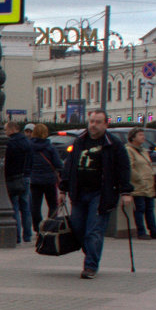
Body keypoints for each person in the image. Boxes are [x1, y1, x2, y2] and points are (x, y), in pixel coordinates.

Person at [61, 110, 133, 279]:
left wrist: (126, 191)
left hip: (101, 194)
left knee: (94, 230)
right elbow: (69, 165)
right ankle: (91, 251)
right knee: (77, 228)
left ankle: (90, 266)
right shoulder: (79, 141)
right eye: (91, 121)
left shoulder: (113, 144)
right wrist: (63, 189)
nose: (93, 125)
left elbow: (123, 169)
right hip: (79, 193)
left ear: (105, 124)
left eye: (98, 122)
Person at [126, 127, 156, 240]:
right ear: (133, 138)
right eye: (140, 135)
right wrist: (139, 179)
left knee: (150, 209)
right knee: (140, 208)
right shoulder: (129, 150)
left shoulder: (143, 150)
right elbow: (130, 167)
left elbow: (147, 165)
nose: (143, 137)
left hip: (148, 184)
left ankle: (153, 231)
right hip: (139, 185)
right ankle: (141, 231)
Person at [27, 123, 63, 233]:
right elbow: (58, 164)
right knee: (52, 204)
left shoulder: (29, 147)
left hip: (35, 180)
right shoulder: (50, 147)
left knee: (35, 206)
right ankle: (50, 226)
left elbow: (27, 163)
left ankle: (38, 228)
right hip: (49, 180)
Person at [4, 121, 34, 244]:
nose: (5, 132)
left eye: (6, 130)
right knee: (26, 207)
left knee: (14, 207)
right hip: (26, 176)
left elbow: (8, 162)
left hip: (13, 178)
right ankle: (27, 235)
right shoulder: (28, 142)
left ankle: (16, 236)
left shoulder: (10, 143)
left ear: (12, 129)